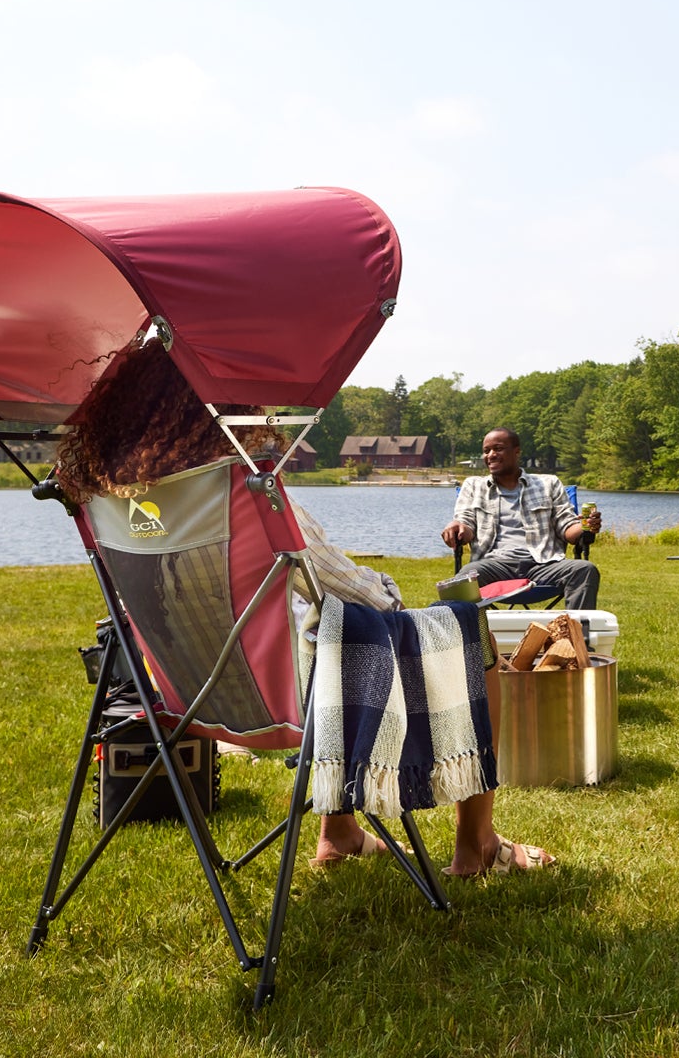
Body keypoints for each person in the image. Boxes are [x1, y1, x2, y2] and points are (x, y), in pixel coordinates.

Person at [57, 340, 554, 876]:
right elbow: (358, 592)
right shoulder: (241, 490)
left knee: (329, 636)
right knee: (464, 633)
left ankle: (338, 832)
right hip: (289, 699)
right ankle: (478, 845)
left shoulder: (111, 504)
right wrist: (389, 593)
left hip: (187, 699)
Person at [441, 428, 603, 610]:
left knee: (584, 569)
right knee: (465, 580)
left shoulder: (548, 484)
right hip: (493, 565)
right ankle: (480, 637)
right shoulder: (473, 486)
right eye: (486, 451)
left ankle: (576, 635)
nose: (491, 455)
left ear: (516, 452)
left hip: (543, 564)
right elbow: (465, 522)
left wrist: (585, 526)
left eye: (498, 449)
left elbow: (567, 527)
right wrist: (457, 526)